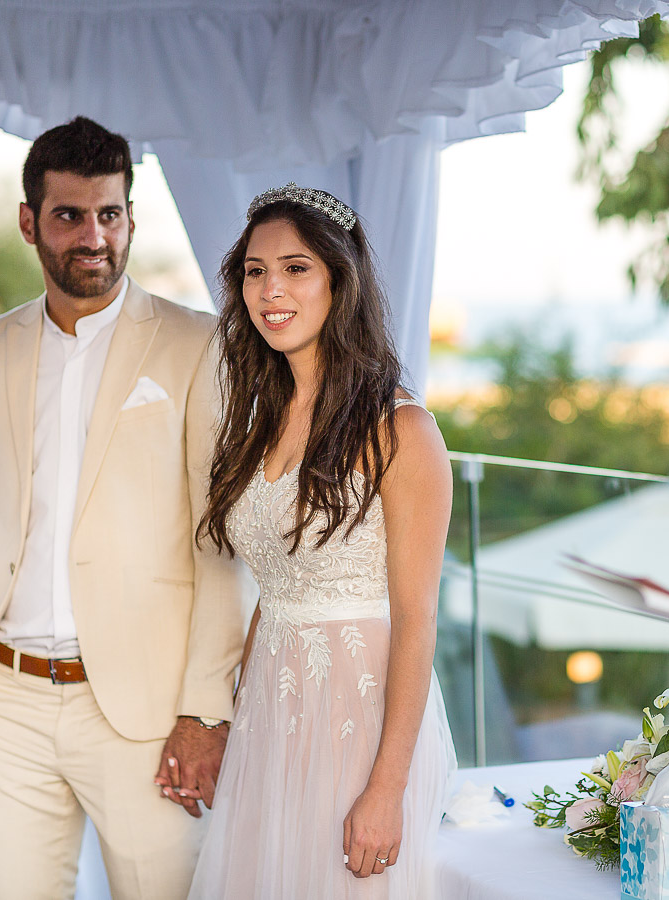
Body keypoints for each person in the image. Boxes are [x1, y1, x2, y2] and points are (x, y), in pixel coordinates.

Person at [0, 115, 245, 900]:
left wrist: (205, 711)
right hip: (1, 699)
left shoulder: (199, 345)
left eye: (110, 213)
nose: (93, 236)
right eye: (70, 215)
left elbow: (222, 539)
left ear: (131, 218)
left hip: (144, 713)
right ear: (31, 222)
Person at [183, 184, 456, 899]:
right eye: (254, 270)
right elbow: (275, 590)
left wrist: (386, 788)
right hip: (272, 714)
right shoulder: (260, 421)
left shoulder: (400, 429)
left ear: (340, 279)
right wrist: (232, 719)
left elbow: (418, 617)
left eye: (296, 267)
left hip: (357, 722)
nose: (271, 288)